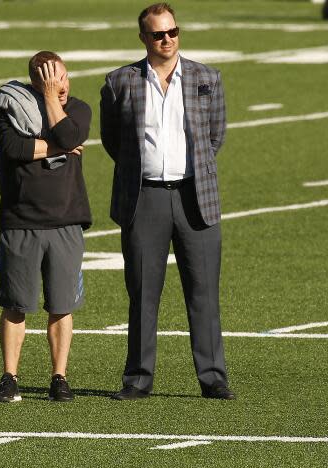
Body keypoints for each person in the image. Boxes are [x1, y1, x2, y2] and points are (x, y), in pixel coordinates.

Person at [100, 3, 234, 400]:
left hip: (196, 197)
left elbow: (215, 137)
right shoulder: (119, 81)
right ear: (143, 38)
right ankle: (138, 379)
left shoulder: (207, 77)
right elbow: (114, 141)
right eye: (158, 34)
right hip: (145, 199)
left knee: (204, 292)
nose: (168, 40)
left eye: (173, 32)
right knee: (142, 292)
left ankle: (213, 377)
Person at [0, 51, 92, 402]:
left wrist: (51, 103)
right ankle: (9, 377)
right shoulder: (10, 107)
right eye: (49, 81)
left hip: (66, 219)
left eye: (61, 77)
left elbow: (70, 131)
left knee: (61, 304)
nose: (58, 86)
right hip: (21, 220)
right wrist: (59, 146)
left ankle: (59, 377)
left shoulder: (78, 108)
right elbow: (13, 147)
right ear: (34, 81)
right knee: (16, 304)